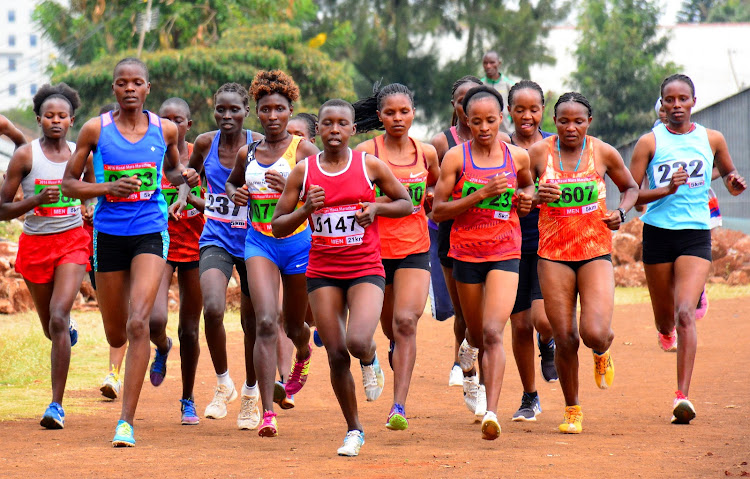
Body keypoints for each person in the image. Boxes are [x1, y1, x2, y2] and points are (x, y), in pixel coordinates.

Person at [62, 58, 200, 447]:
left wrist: (185, 178)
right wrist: (107, 189)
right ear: (113, 89)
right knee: (117, 330)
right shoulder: (95, 129)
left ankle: (126, 421)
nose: (129, 89)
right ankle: (156, 347)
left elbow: (173, 172)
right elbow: (70, 184)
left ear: (147, 89)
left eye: (136, 83)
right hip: (108, 234)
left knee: (140, 322)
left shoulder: (165, 129)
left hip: (150, 232)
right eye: (122, 83)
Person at [272, 99, 411, 456]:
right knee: (335, 354)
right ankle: (354, 429)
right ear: (318, 130)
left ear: (352, 129)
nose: (335, 130)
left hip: (365, 267)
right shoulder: (304, 171)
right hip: (323, 272)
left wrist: (377, 208)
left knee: (358, 340)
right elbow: (277, 224)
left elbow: (406, 203)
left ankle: (370, 358)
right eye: (328, 124)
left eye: (342, 124)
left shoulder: (369, 165)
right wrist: (306, 209)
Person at [629, 74, 746, 424]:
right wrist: (665, 189)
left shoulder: (712, 139)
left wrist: (734, 183)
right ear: (662, 105)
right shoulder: (648, 142)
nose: (677, 105)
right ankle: (664, 331)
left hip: (696, 233)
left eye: (683, 99)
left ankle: (683, 396)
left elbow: (729, 176)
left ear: (693, 101)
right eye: (670, 100)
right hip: (658, 233)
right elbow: (633, 197)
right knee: (665, 320)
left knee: (684, 314)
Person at [529, 92, 638, 434]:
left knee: (593, 332)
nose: (571, 127)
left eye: (578, 121)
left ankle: (603, 349)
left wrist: (621, 211)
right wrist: (534, 196)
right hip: (553, 254)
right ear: (554, 122)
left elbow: (630, 187)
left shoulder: (603, 152)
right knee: (564, 337)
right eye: (563, 121)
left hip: (594, 251)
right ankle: (572, 409)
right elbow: (519, 197)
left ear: (589, 122)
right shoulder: (537, 153)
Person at [433, 85, 534, 440]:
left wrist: (525, 201)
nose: (485, 127)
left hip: (506, 251)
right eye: (476, 121)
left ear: (502, 118)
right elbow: (438, 210)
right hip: (466, 254)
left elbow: (528, 188)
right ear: (466, 121)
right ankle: (467, 350)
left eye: (491, 120)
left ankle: (491, 411)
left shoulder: (517, 156)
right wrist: (478, 195)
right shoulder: (456, 158)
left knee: (493, 331)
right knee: (474, 332)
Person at [226, 70, 319, 437]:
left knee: (293, 325)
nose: (273, 116)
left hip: (297, 243)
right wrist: (237, 192)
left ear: (290, 109)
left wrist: (294, 191)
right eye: (266, 110)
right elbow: (233, 180)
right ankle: (267, 412)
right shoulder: (248, 151)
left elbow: (320, 193)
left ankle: (304, 351)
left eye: (280, 109)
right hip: (259, 241)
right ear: (257, 114)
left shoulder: (304, 150)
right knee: (265, 321)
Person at [0, 83, 90, 429]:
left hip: (72, 242)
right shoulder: (26, 156)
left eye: (62, 116)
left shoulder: (81, 155)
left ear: (71, 120)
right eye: (49, 116)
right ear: (38, 119)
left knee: (57, 316)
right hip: (36, 245)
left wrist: (88, 208)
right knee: (51, 330)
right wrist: (33, 202)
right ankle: (65, 328)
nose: (56, 121)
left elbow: (90, 192)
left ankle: (56, 405)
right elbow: (3, 209)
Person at [353, 83, 440, 430]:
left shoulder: (427, 153)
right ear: (379, 116)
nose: (398, 118)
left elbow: (433, 185)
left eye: (404, 111)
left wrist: (431, 194)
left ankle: (398, 406)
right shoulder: (365, 153)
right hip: (373, 250)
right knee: (389, 327)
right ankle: (376, 356)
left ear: (413, 113)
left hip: (414, 248)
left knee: (406, 322)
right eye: (390, 112)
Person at [187, 83, 264, 429]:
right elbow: (188, 178)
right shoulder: (205, 143)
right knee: (213, 307)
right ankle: (223, 385)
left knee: (251, 322)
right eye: (221, 109)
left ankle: (250, 394)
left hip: (254, 241)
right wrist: (186, 193)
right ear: (213, 109)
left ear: (246, 111)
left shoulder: (260, 144)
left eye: (234, 109)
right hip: (215, 236)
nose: (226, 116)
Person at [145, 97, 205, 425]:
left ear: (188, 124)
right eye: (165, 119)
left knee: (191, 330)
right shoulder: (150, 154)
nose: (172, 124)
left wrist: (190, 196)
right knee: (155, 319)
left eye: (178, 119)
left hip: (198, 247)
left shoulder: (202, 154)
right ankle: (163, 346)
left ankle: (188, 398)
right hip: (161, 243)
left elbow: (220, 199)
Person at [505, 80, 558, 423]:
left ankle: (549, 342)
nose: (527, 115)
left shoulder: (555, 147)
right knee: (521, 324)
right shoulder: (500, 147)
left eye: (534, 109)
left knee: (541, 320)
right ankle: (530, 396)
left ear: (543, 110)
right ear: (509, 110)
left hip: (550, 242)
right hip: (510, 243)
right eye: (519, 109)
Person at [91, 103, 127, 401]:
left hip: (144, 235)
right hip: (104, 234)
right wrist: (88, 205)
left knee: (138, 314)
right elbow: (80, 187)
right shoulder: (92, 154)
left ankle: (114, 374)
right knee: (114, 313)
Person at [481, 51, 515, 135]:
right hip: (486, 133)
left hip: (508, 132)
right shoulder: (479, 85)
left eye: (492, 62)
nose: (488, 66)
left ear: (499, 63)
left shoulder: (509, 85)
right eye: (485, 63)